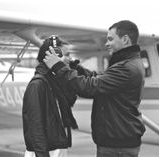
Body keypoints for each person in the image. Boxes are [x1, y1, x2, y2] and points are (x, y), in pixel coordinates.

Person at [43, 20, 146, 157]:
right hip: (120, 141)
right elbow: (100, 80)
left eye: (110, 39)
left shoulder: (126, 68)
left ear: (125, 40)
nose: (106, 43)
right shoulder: (128, 63)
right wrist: (75, 68)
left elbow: (89, 87)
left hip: (116, 146)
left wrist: (57, 67)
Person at [22, 36, 78, 157]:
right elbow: (35, 126)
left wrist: (69, 75)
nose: (70, 59)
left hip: (57, 148)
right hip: (45, 151)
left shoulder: (54, 82)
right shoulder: (37, 84)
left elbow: (68, 104)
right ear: (53, 55)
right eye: (67, 55)